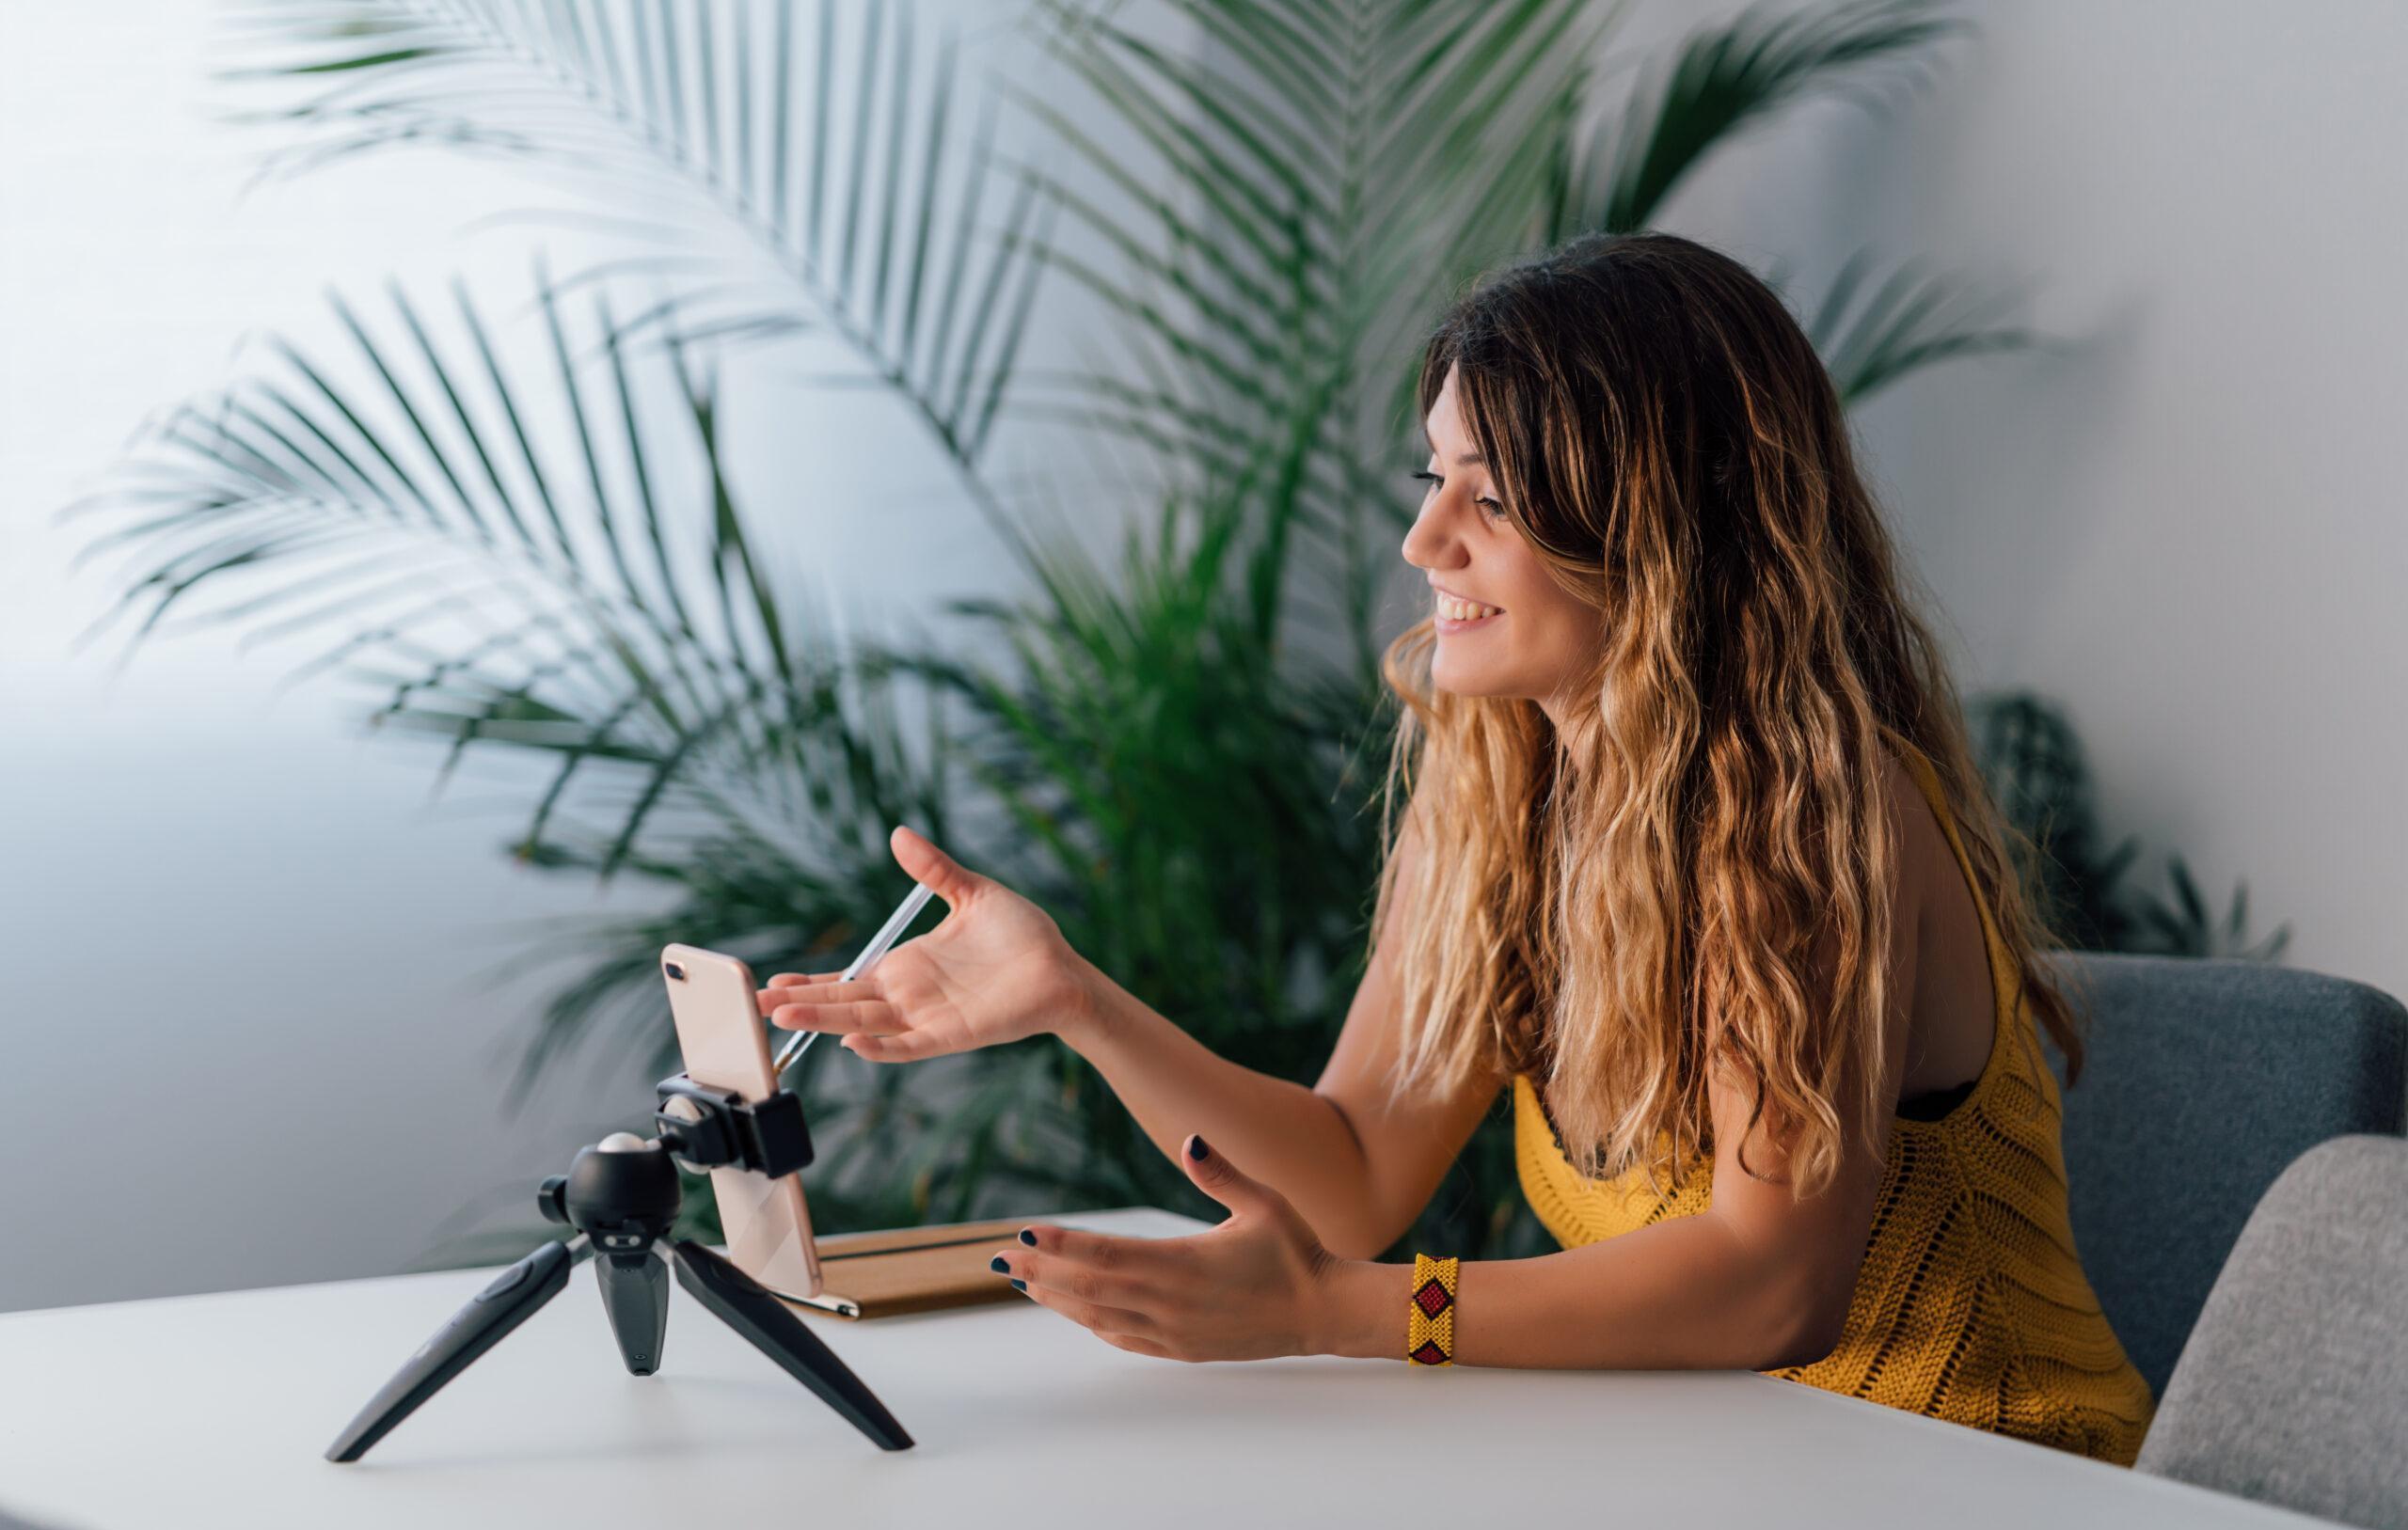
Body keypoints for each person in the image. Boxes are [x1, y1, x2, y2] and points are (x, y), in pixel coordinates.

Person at [756, 230, 2156, 1466]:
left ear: (1661, 524)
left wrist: (1340, 1315)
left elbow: (1770, 1283)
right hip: (1731, 1475)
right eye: (1437, 480)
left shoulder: (1800, 802)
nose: (1427, 538)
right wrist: (1075, 1002)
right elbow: (1353, 1173)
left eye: (1490, 497)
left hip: (1987, 1484)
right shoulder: (1503, 784)